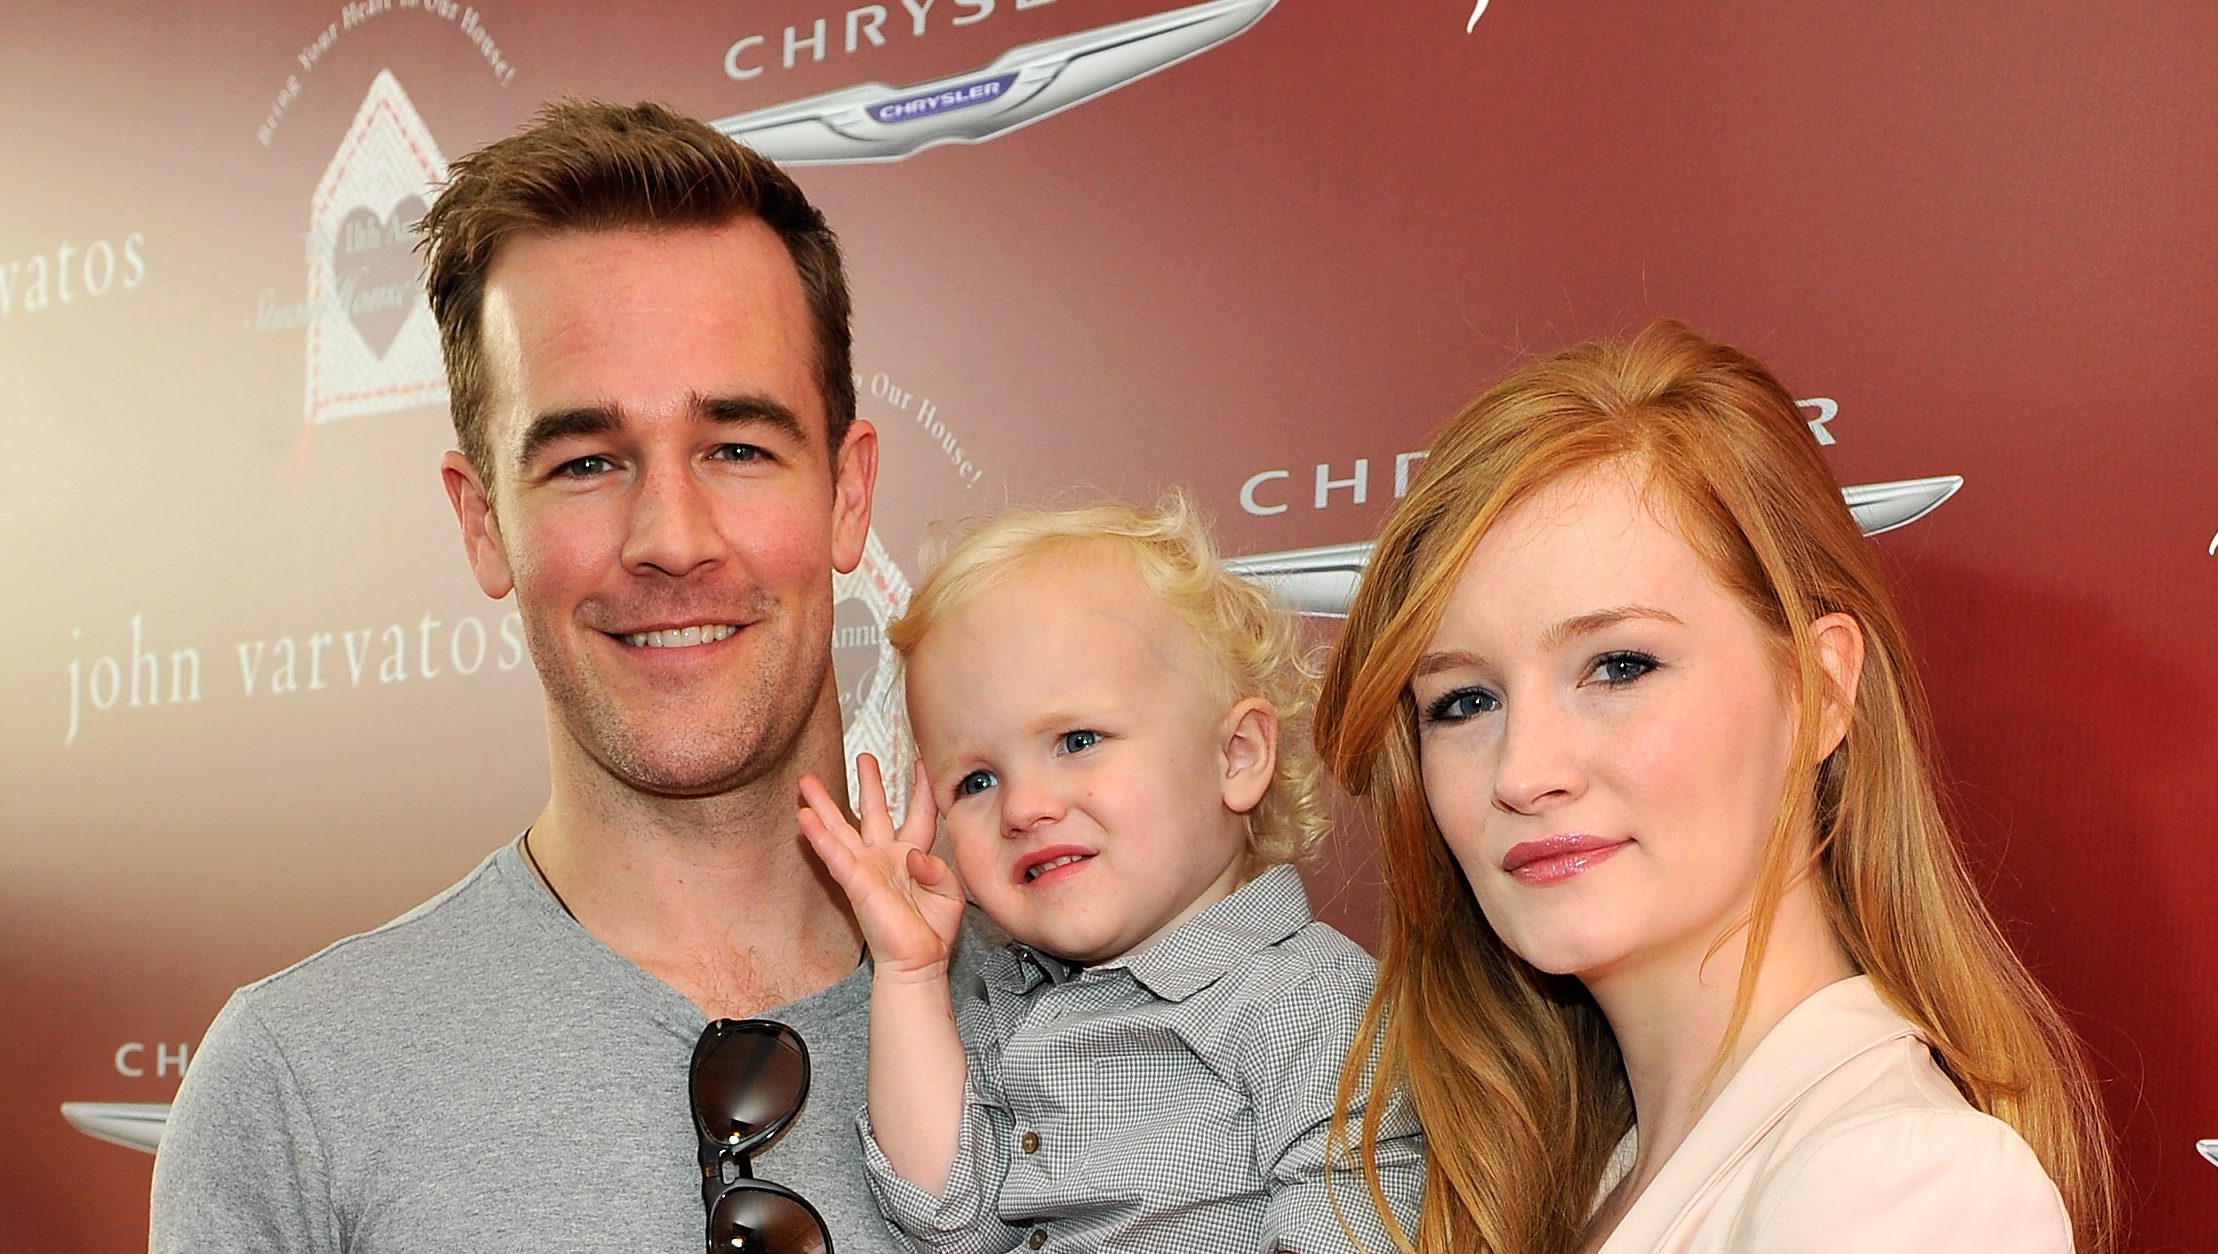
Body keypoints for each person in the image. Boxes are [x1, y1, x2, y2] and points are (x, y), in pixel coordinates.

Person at [149, 99, 993, 1253]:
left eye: (737, 447)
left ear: (848, 494)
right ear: (481, 522)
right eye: (587, 462)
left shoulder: (1086, 1013)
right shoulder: (298, 1090)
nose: (672, 539)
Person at [1313, 320, 2116, 1253]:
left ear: (1819, 690)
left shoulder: (1901, 1184)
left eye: (1620, 666)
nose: (1524, 774)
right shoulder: (1586, 1180)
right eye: (1464, 702)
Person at [793, 497, 1426, 1252]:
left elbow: (1351, 1230)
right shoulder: (1006, 1002)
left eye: (1078, 741)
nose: (1023, 807)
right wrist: (911, 976)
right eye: (976, 781)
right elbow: (947, 1218)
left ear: (1237, 755)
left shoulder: (1310, 1001)